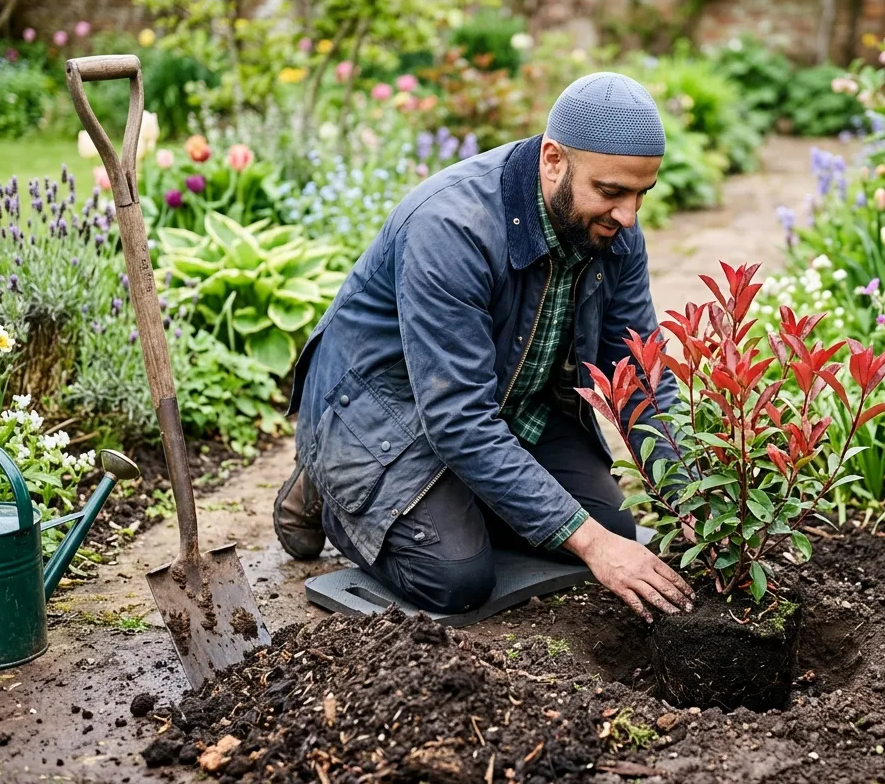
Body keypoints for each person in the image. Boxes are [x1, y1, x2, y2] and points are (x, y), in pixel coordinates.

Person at [273, 72, 694, 622]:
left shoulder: (612, 231)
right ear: (552, 160)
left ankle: (463, 497)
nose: (629, 216)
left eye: (642, 193)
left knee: (615, 525)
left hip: (513, 403)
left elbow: (639, 372)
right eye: (611, 192)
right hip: (389, 415)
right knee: (456, 577)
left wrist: (689, 492)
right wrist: (589, 545)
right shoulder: (451, 228)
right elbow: (456, 415)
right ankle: (326, 482)